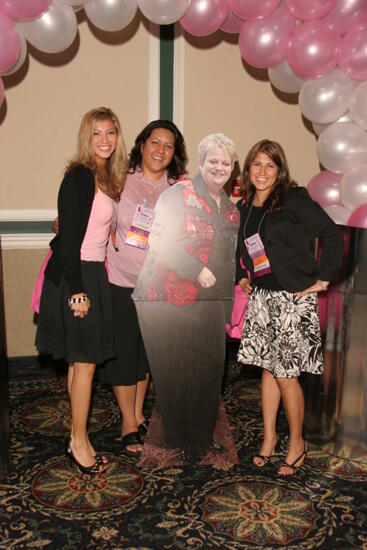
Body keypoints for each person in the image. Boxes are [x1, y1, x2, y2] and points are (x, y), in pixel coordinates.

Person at [236, 139, 343, 476]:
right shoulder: (246, 205)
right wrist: (243, 275)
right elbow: (244, 247)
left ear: (280, 170)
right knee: (268, 370)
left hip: (292, 300)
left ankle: (296, 443)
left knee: (286, 377)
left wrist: (323, 280)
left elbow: (331, 234)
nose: (262, 171)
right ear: (248, 168)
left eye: (270, 165)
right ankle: (269, 440)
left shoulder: (294, 199)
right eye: (257, 164)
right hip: (262, 299)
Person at [132, 133, 240, 462]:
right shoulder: (177, 195)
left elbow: (231, 257)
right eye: (213, 161)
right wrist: (195, 269)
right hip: (165, 300)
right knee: (176, 372)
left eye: (226, 162)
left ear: (233, 167)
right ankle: (180, 441)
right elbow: (160, 241)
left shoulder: (232, 210)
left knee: (209, 372)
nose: (219, 167)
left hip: (209, 302)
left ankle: (201, 440)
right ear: (201, 162)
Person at [36, 107, 127, 475]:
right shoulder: (79, 176)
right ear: (86, 138)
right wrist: (77, 291)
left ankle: (76, 436)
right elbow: (70, 239)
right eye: (96, 133)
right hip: (79, 276)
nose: (104, 140)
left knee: (79, 361)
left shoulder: (105, 176)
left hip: (92, 272)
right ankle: (79, 441)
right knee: (86, 363)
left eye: (110, 132)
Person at [99, 120, 187, 454]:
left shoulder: (177, 188)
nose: (160, 150)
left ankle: (136, 415)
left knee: (145, 357)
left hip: (157, 286)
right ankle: (127, 422)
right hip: (119, 280)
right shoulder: (119, 177)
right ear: (142, 144)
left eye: (168, 145)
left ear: (174, 153)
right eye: (155, 142)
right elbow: (94, 211)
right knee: (124, 354)